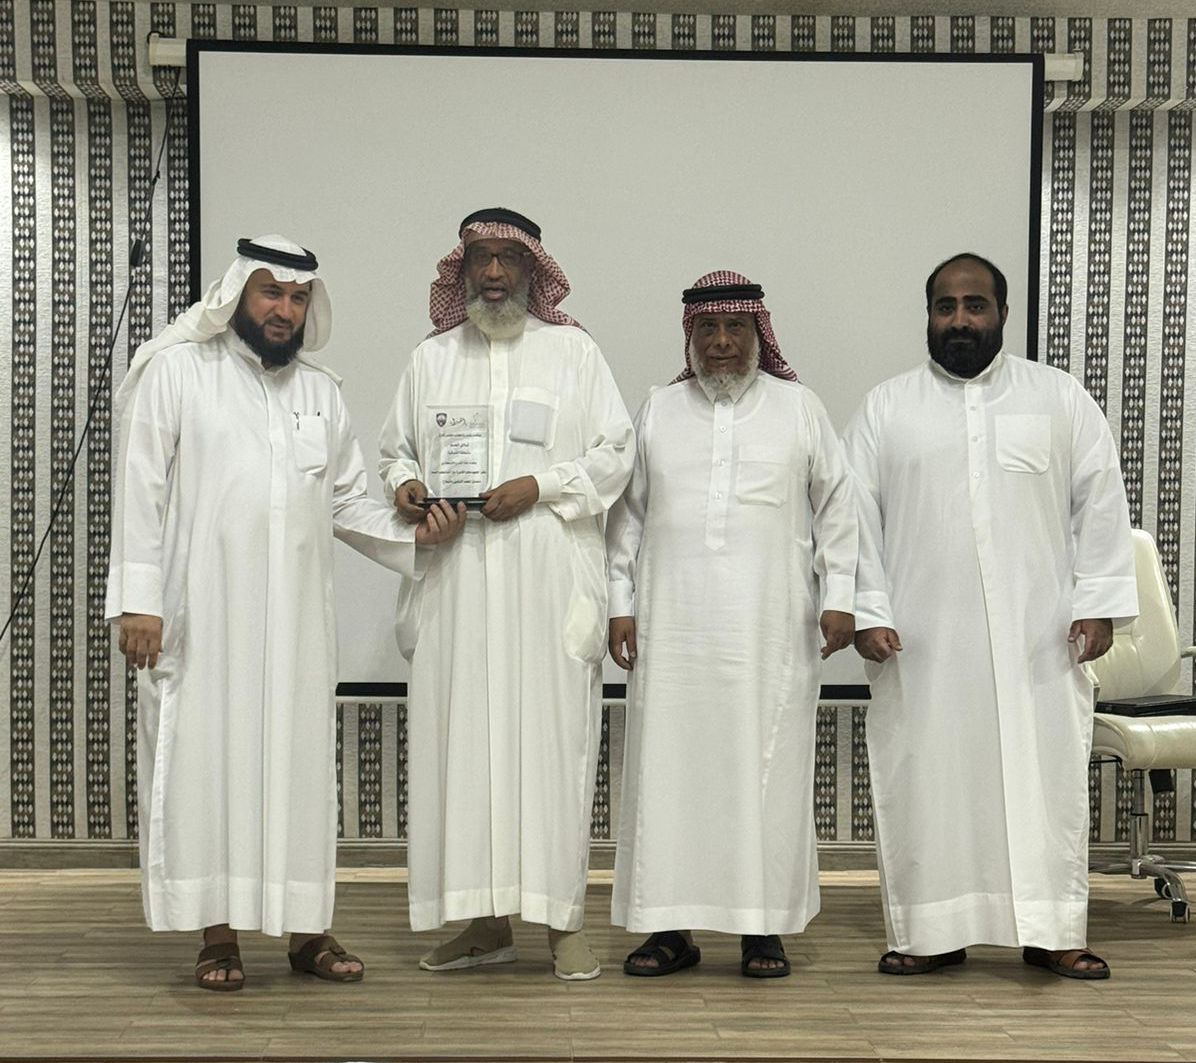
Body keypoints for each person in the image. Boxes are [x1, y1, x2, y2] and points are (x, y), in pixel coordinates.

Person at [107, 235, 464, 992]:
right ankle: (218, 936)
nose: (284, 310)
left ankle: (308, 932)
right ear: (237, 294)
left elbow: (345, 501)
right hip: (200, 618)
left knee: (300, 771)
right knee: (206, 767)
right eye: (271, 293)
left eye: (299, 298)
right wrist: (138, 602)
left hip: (298, 625)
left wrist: (417, 534)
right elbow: (140, 489)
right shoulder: (177, 371)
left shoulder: (320, 392)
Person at [843, 252, 1137, 980]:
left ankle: (1052, 930)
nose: (960, 320)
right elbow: (854, 521)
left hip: (1039, 639)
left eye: (975, 305)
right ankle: (930, 932)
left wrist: (1100, 604)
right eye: (945, 306)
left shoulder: (1058, 398)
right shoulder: (886, 408)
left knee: (1044, 783)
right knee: (929, 782)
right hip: (922, 642)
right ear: (928, 316)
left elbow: (1100, 504)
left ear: (1003, 313)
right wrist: (867, 610)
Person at [379, 208, 634, 980]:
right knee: (463, 755)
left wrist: (541, 485)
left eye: (508, 259)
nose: (493, 272)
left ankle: (563, 926)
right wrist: (408, 487)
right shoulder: (430, 360)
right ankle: (483, 925)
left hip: (548, 585)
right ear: (460, 270)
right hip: (457, 585)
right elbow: (395, 453)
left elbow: (617, 453)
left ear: (532, 269)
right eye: (480, 258)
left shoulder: (575, 353)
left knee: (552, 754)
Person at [605, 271, 857, 978]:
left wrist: (840, 593)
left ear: (758, 333)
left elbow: (837, 508)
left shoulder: (800, 407)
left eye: (736, 328)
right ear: (690, 336)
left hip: (771, 629)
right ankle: (668, 929)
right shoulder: (657, 410)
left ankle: (761, 928)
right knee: (668, 774)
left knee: (767, 775)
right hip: (671, 627)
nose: (721, 342)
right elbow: (626, 518)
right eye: (708, 329)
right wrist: (619, 601)